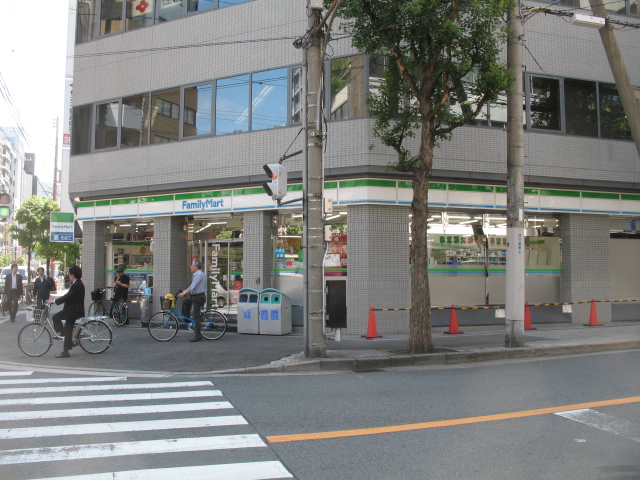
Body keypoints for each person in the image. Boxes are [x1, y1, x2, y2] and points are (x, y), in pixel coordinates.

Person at [49, 265, 85, 358]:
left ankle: (66, 350)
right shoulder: (77, 283)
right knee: (56, 318)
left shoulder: (77, 285)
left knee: (67, 329)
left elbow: (67, 296)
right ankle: (65, 338)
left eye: (69, 274)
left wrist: (55, 301)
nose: (68, 275)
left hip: (72, 311)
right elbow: (68, 295)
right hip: (71, 310)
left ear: (72, 275)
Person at [178, 260, 206, 342]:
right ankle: (187, 319)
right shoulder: (199, 274)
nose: (190, 267)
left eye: (192, 266)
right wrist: (184, 290)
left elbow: (192, 287)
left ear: (195, 267)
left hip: (198, 297)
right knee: (186, 301)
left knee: (195, 316)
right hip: (196, 296)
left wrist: (183, 293)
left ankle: (197, 335)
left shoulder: (198, 275)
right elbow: (191, 287)